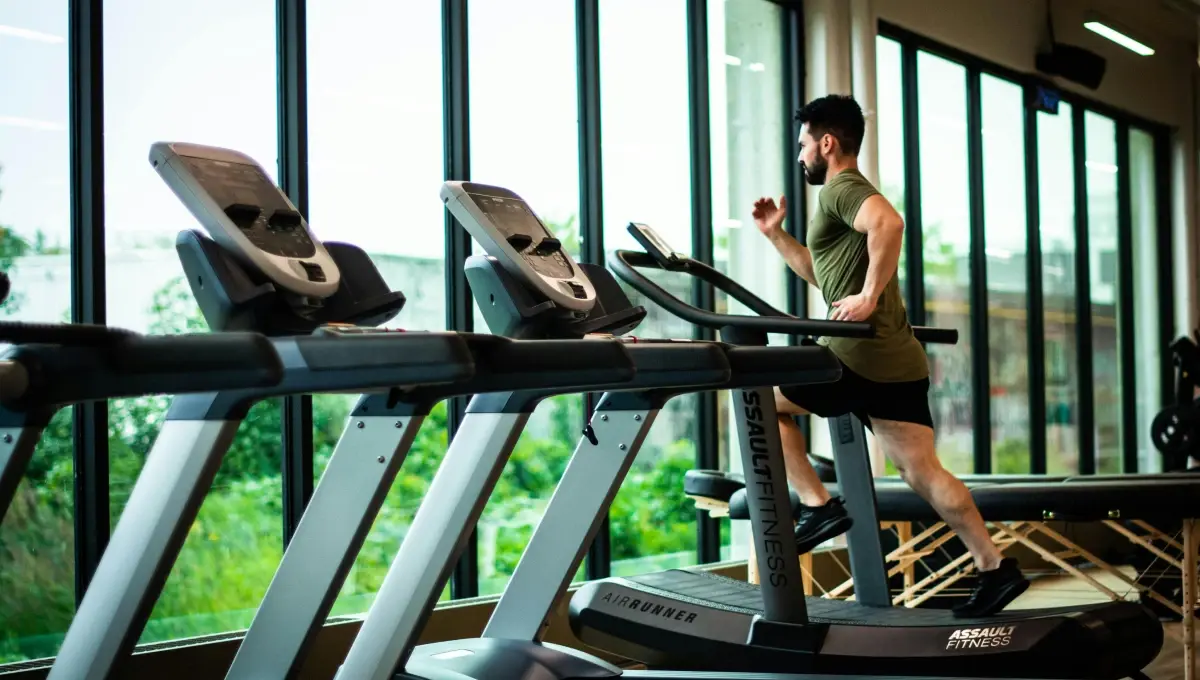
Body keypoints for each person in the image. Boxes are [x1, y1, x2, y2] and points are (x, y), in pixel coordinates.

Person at [752, 94, 1028, 618]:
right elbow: (823, 274)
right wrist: (776, 236)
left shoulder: (843, 189)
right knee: (923, 472)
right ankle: (994, 567)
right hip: (897, 360)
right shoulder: (843, 198)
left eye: (803, 145)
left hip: (853, 355)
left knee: (759, 399)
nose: (800, 156)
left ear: (826, 143)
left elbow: (891, 225)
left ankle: (817, 507)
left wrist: (870, 297)